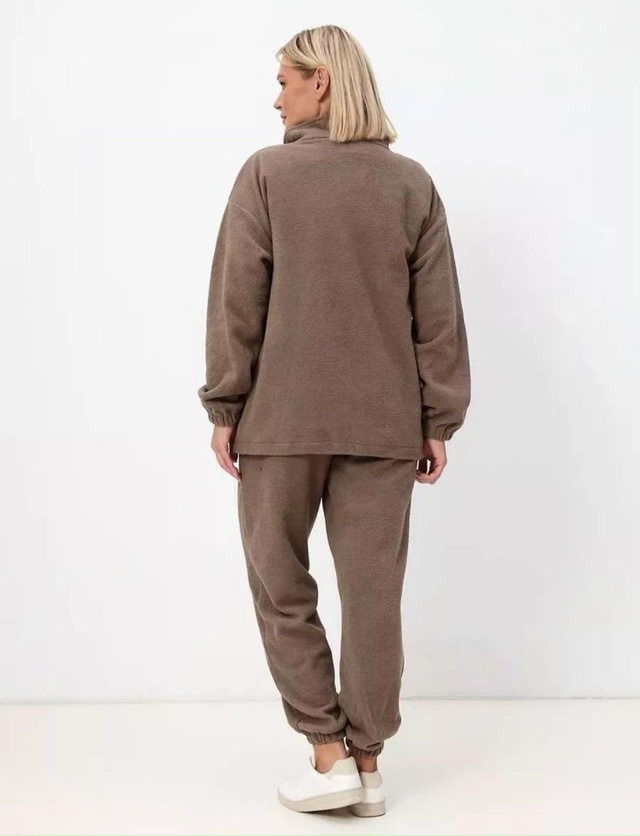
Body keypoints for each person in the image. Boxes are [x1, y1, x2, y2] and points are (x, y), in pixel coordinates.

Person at [197, 24, 471, 816]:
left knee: (280, 583)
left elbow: (237, 300)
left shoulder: (267, 174)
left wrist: (225, 403)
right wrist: (438, 419)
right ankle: (368, 764)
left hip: (280, 422)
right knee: (374, 594)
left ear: (321, 82)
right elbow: (439, 319)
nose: (276, 97)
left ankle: (327, 752)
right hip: (385, 425)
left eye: (285, 80)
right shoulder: (410, 185)